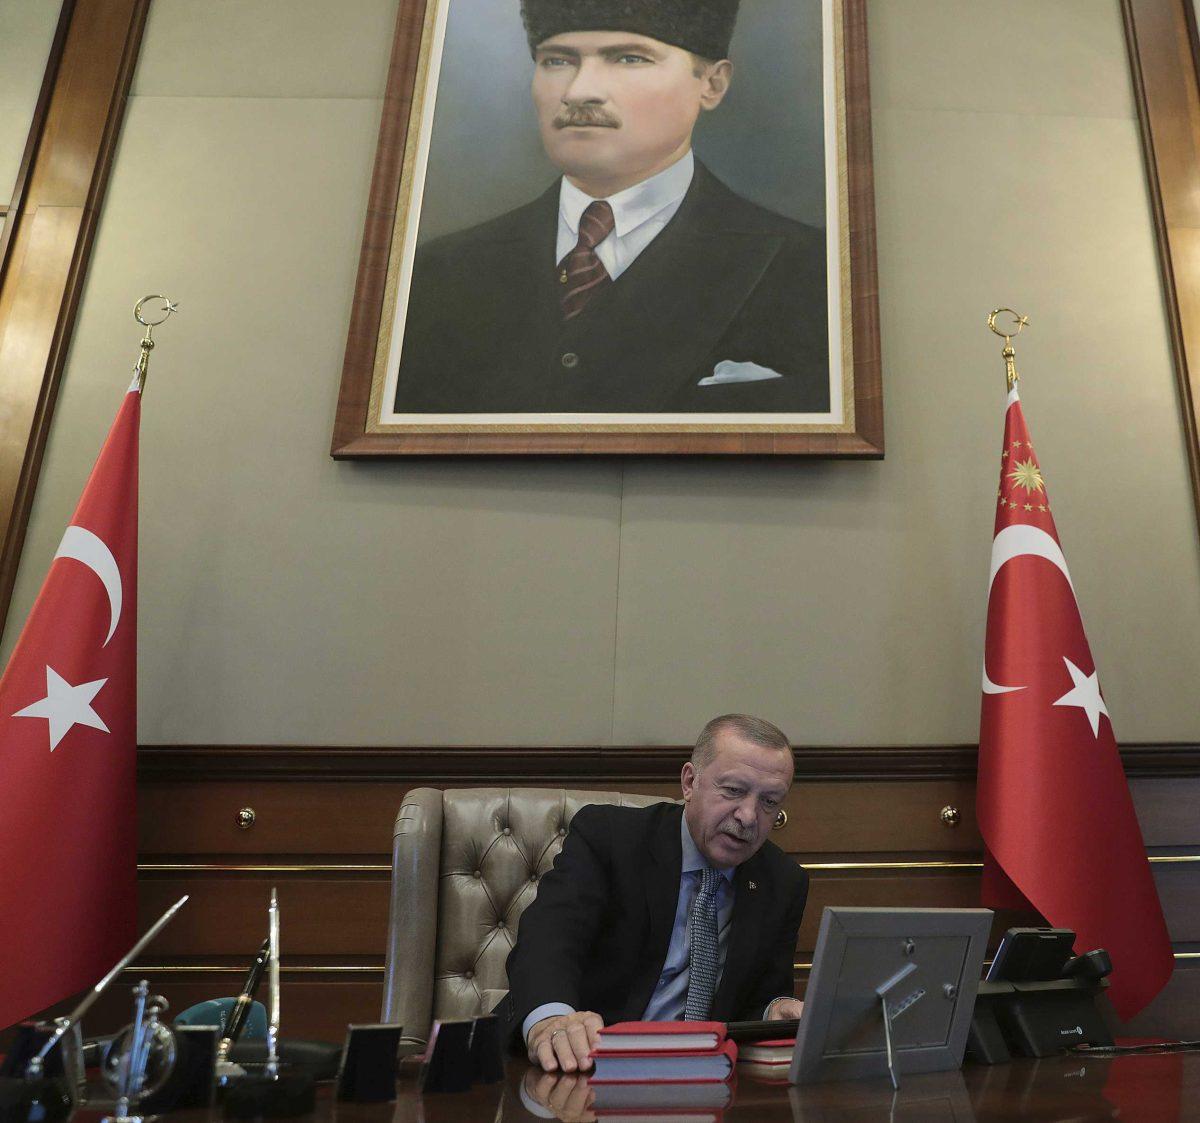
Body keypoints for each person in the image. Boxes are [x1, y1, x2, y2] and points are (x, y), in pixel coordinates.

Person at [393, 0, 829, 415]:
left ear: (711, 84)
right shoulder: (438, 274)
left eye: (629, 58)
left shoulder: (812, 270)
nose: (579, 91)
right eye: (557, 61)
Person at [494, 714, 809, 1073]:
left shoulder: (782, 882)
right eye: (734, 790)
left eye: (769, 802)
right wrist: (552, 1020)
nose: (749, 816)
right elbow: (547, 940)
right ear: (689, 782)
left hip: (697, 1080)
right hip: (576, 1066)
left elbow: (756, 1000)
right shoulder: (610, 838)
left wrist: (773, 1011)